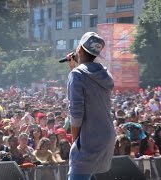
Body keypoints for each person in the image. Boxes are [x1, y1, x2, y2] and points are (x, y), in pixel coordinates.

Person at [62, 32, 115, 180]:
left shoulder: (77, 75)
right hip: (107, 136)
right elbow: (88, 77)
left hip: (89, 138)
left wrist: (75, 141)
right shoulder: (105, 73)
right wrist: (75, 68)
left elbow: (76, 114)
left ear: (79, 49)